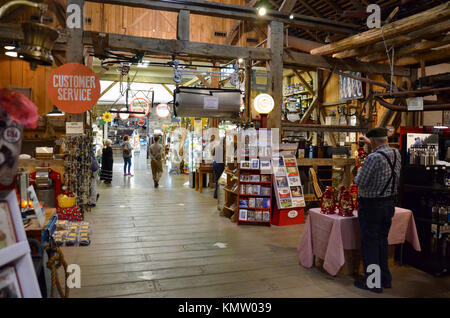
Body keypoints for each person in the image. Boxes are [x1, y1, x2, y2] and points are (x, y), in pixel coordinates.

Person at [353, 127, 401, 294]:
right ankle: (385, 279)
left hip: (371, 205)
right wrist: (369, 141)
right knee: (382, 240)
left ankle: (373, 282)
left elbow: (360, 182)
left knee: (370, 243)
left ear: (373, 142)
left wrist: (358, 171)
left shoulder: (373, 158)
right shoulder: (396, 153)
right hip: (389, 203)